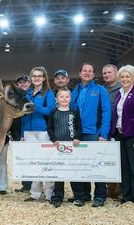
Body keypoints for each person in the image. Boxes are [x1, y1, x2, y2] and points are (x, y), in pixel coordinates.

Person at [70, 63, 111, 207]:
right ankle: (84, 195)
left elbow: (107, 112)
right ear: (80, 73)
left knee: (97, 166)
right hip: (78, 134)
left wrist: (103, 134)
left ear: (93, 75)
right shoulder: (74, 91)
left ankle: (100, 196)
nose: (87, 73)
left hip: (94, 133)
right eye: (84, 71)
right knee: (81, 166)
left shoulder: (100, 91)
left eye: (90, 71)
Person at [110, 65, 134, 208]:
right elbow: (116, 115)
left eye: (128, 76)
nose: (125, 79)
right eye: (122, 77)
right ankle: (127, 198)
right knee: (124, 169)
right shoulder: (119, 93)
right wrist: (112, 134)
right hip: (120, 135)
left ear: (133, 78)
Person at [22, 66, 56, 202]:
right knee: (33, 162)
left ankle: (49, 193)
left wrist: (36, 107)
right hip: (28, 132)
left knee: (46, 161)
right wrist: (22, 133)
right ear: (31, 78)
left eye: (39, 76)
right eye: (34, 76)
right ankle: (35, 193)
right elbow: (23, 114)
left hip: (42, 131)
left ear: (43, 78)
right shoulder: (27, 93)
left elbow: (51, 111)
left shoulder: (48, 93)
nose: (36, 78)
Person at [47, 88, 82, 208]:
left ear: (70, 99)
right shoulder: (53, 112)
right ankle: (57, 197)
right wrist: (54, 139)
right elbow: (50, 128)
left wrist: (77, 137)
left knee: (73, 172)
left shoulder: (74, 113)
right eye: (62, 97)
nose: (64, 99)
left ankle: (78, 197)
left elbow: (79, 127)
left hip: (72, 147)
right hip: (58, 148)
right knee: (59, 173)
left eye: (67, 97)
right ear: (57, 99)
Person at [102, 64, 122, 200]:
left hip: (119, 130)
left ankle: (124, 189)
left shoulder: (122, 88)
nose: (107, 75)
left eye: (109, 72)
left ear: (116, 73)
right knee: (107, 160)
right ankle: (112, 190)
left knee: (122, 161)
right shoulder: (102, 89)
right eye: (104, 73)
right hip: (106, 130)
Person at [14, 74, 32, 193]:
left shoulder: (32, 95)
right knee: (22, 159)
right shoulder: (15, 96)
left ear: (29, 83)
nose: (23, 84)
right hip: (18, 129)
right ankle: (25, 184)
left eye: (25, 82)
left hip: (30, 129)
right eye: (20, 82)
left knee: (32, 158)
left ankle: (34, 185)